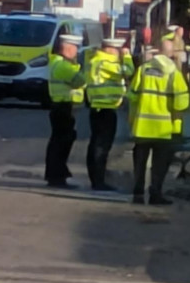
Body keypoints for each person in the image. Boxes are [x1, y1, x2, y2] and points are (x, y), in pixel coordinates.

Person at [128, 38, 190, 205]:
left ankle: (138, 193)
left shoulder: (143, 70)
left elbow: (132, 96)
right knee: (160, 164)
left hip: (142, 126)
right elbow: (182, 103)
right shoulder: (173, 74)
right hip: (163, 128)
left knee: (140, 162)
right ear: (170, 54)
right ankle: (155, 194)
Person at [85, 37, 134, 191]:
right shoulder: (105, 63)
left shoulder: (97, 60)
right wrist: (127, 56)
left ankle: (96, 179)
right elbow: (128, 71)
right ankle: (98, 181)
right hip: (104, 109)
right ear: (110, 49)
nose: (118, 53)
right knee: (101, 147)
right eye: (117, 50)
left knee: (96, 145)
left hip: (100, 108)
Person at [45, 34, 87, 188]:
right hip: (63, 107)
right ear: (68, 48)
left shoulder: (56, 63)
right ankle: (57, 177)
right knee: (61, 144)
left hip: (59, 107)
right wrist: (79, 66)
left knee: (58, 142)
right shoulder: (63, 66)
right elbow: (81, 80)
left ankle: (56, 174)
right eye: (75, 48)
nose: (77, 52)